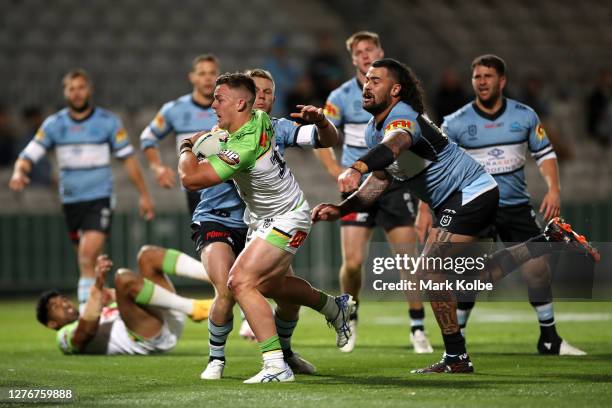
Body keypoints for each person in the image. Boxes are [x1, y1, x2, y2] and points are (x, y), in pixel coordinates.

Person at [311, 58, 599, 373]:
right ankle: (546, 239)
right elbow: (381, 180)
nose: (367, 85)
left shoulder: (403, 119)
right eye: (366, 79)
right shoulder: (372, 131)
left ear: (395, 90)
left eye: (376, 80)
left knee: (429, 271)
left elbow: (395, 147)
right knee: (475, 276)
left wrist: (356, 166)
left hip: (470, 193)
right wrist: (342, 208)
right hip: (461, 198)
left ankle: (457, 358)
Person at [178, 72, 354, 383]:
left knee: (239, 283)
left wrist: (186, 146)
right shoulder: (261, 119)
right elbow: (325, 138)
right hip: (262, 218)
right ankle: (333, 307)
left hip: (286, 217)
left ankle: (276, 365)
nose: (213, 103)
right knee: (270, 286)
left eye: (219, 99)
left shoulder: (243, 146)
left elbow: (190, 179)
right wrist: (322, 124)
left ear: (240, 103)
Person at [442, 54, 585, 356]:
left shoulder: (525, 115)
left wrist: (554, 190)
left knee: (537, 269)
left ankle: (550, 339)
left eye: (487, 76)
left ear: (502, 80)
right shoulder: (455, 123)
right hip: (476, 206)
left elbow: (545, 155)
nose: (481, 82)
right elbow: (441, 166)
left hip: (516, 206)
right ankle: (458, 343)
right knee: (468, 274)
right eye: (477, 77)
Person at [315, 31, 432, 353]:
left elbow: (418, 144)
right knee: (352, 263)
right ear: (353, 58)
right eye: (359, 52)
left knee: (407, 259)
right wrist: (335, 171)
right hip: (358, 185)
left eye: (371, 49)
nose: (366, 55)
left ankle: (417, 326)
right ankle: (349, 318)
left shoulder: (400, 97)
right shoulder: (340, 97)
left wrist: (424, 200)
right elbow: (320, 136)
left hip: (396, 183)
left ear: (380, 51)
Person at [9, 69, 155, 309]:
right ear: (65, 92)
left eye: (81, 88)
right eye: (72, 89)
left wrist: (145, 195)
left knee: (86, 257)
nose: (77, 93)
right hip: (70, 202)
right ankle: (107, 306)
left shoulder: (107, 122)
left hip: (99, 198)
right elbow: (29, 154)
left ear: (90, 90)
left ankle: (87, 313)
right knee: (92, 261)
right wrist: (19, 171)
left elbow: (128, 159)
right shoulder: (55, 124)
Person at [36, 247, 213, 355]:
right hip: (147, 337)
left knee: (147, 255)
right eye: (55, 306)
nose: (64, 304)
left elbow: (119, 296)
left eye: (63, 300)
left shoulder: (89, 308)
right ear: (52, 323)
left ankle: (217, 276)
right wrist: (97, 288)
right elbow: (86, 333)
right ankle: (192, 307)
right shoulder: (64, 336)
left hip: (162, 315)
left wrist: (106, 293)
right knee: (123, 278)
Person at [140, 54, 220, 215]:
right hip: (196, 190)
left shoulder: (230, 107)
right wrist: (157, 167)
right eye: (202, 73)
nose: (208, 78)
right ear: (192, 77)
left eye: (212, 73)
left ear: (218, 77)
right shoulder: (175, 109)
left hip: (230, 188)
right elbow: (148, 137)